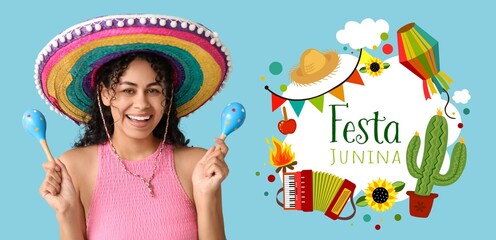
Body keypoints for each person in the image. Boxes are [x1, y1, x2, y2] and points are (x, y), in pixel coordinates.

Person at [34, 14, 233, 240]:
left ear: (167, 98)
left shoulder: (198, 165)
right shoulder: (76, 166)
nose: (142, 104)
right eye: (128, 90)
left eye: (154, 90)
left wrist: (207, 194)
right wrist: (65, 212)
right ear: (106, 94)